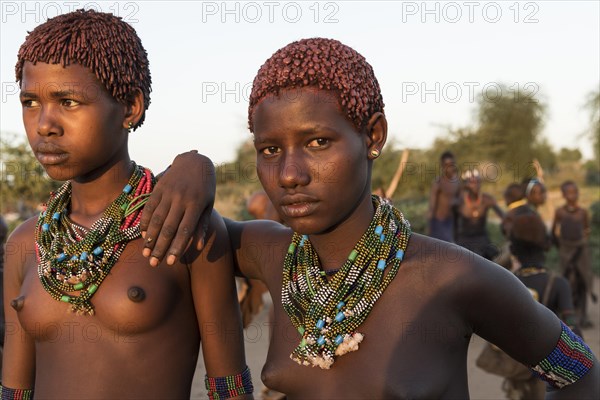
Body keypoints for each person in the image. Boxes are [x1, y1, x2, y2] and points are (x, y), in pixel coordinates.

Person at [200, 38, 597, 398]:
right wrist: (196, 170)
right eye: (269, 150)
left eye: (318, 142)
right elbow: (200, 229)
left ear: (373, 136)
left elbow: (580, 373)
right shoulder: (275, 257)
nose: (289, 174)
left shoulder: (452, 277)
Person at [1, 10, 252, 400]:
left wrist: (198, 163)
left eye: (68, 101)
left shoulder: (181, 229)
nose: (44, 124)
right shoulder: (26, 242)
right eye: (31, 102)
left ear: (130, 108)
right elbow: (14, 391)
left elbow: (229, 388)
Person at [501, 197, 582, 400]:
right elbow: (573, 328)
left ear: (512, 249)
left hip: (517, 369)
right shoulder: (558, 284)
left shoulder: (507, 282)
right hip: (549, 371)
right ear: (547, 245)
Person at [551, 180, 596, 328]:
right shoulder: (559, 212)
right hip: (565, 250)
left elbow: (586, 230)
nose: (573, 195)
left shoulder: (583, 212)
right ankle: (568, 316)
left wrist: (580, 245)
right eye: (569, 192)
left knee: (583, 281)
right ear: (563, 195)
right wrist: (562, 248)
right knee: (568, 281)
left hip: (581, 251)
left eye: (575, 192)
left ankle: (583, 317)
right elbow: (553, 231)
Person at [455, 169, 504, 260]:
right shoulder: (459, 201)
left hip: (482, 240)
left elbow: (504, 217)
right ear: (465, 185)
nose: (475, 185)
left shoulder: (486, 199)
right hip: (464, 241)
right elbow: (451, 224)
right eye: (472, 182)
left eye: (478, 182)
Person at [427, 151, 460, 242]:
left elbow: (460, 199)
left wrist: (456, 201)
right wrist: (430, 226)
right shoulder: (438, 183)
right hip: (438, 221)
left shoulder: (457, 182)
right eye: (446, 165)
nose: (449, 167)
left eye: (451, 164)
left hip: (451, 221)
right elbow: (432, 206)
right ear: (442, 166)